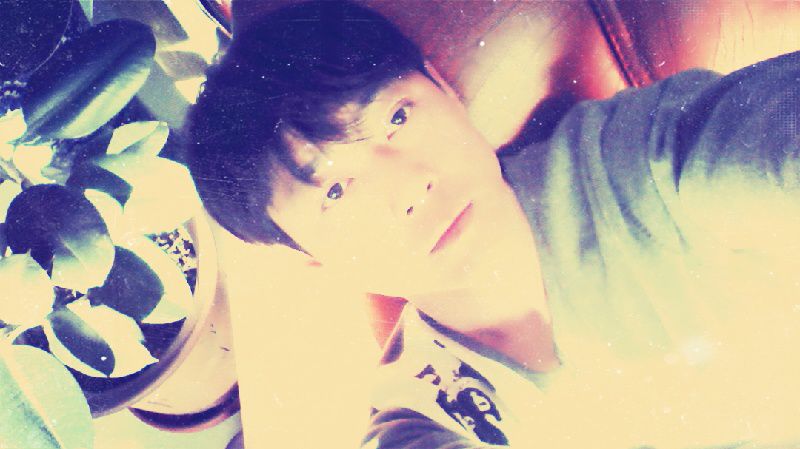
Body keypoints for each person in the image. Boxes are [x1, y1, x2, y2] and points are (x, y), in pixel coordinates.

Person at [187, 1, 800, 448]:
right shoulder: (422, 414)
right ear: (310, 255)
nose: (409, 188)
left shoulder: (646, 165)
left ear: (443, 89)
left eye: (397, 117)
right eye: (336, 190)